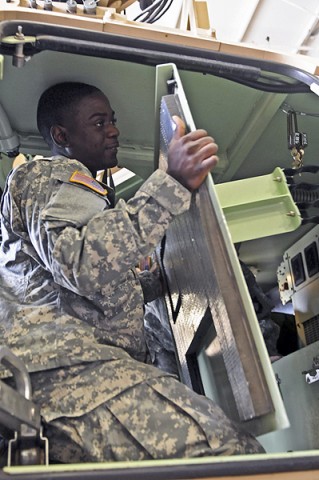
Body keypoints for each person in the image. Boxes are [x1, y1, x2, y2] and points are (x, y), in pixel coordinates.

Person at [0, 82, 263, 463]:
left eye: (113, 120)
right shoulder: (48, 175)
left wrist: (157, 278)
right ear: (62, 136)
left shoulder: (66, 194)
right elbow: (82, 264)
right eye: (98, 122)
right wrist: (170, 183)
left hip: (70, 380)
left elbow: (80, 290)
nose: (113, 130)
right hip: (72, 379)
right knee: (231, 452)